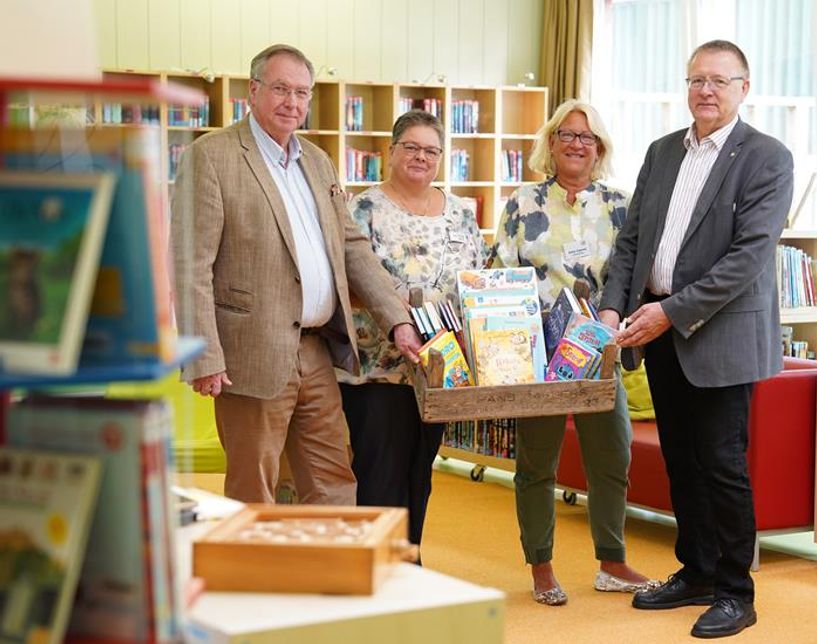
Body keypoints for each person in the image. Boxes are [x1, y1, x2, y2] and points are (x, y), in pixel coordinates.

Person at [598, 40, 793, 638]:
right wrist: (611, 308)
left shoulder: (767, 158)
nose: (705, 90)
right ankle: (698, 570)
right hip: (656, 331)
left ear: (744, 87)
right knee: (682, 460)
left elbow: (747, 260)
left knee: (722, 464)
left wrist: (670, 312)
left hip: (718, 336)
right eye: (695, 80)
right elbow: (633, 243)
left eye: (718, 80)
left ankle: (737, 590)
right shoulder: (661, 154)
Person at [171, 44, 422, 505]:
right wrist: (202, 356)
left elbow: (351, 248)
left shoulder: (317, 160)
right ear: (253, 91)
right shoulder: (211, 156)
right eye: (281, 89)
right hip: (249, 354)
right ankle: (253, 577)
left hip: (315, 349)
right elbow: (190, 265)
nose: (292, 102)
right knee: (255, 488)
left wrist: (398, 319)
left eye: (302, 92)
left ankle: (331, 576)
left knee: (333, 478)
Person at [489, 99, 657, 606]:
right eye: (567, 134)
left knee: (612, 454)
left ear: (599, 147)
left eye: (587, 137)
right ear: (551, 142)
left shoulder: (619, 205)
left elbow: (633, 275)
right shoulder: (522, 203)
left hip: (598, 348)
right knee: (537, 460)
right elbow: (499, 271)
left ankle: (611, 559)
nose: (577, 144)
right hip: (537, 351)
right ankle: (541, 565)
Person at [337, 110, 488, 557]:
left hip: (440, 367)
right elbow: (347, 280)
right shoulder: (363, 208)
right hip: (379, 366)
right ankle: (377, 565)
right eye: (412, 147)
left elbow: (476, 278)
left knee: (419, 470)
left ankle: (410, 558)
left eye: (432, 150)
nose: (421, 157)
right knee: (380, 469)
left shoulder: (461, 212)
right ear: (391, 150)